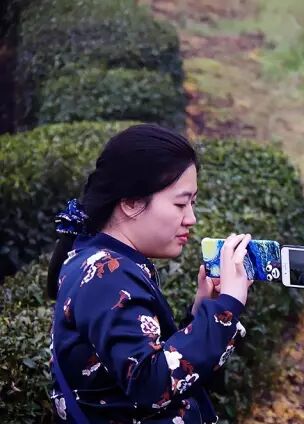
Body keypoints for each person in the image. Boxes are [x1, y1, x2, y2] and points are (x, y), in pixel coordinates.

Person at [46, 124, 254, 423]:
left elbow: (148, 361)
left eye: (193, 203)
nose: (191, 218)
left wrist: (202, 313)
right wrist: (227, 307)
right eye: (181, 203)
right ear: (131, 202)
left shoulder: (106, 262)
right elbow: (151, 385)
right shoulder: (106, 275)